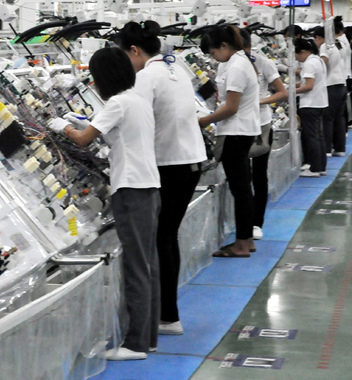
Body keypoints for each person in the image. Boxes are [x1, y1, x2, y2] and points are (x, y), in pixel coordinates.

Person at [49, 47, 160, 360]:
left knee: (135, 267)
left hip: (131, 189)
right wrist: (84, 121)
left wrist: (65, 127)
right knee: (148, 264)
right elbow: (111, 135)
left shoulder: (117, 103)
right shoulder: (137, 99)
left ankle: (135, 344)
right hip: (149, 186)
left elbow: (84, 141)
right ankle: (147, 337)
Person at [115, 21, 206, 337]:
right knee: (168, 236)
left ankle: (165, 315)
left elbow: (134, 123)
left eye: (125, 55)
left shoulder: (146, 77)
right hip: (190, 161)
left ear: (135, 50)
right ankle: (168, 312)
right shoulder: (175, 67)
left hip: (170, 165)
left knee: (160, 239)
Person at [198, 25, 260, 258]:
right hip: (243, 131)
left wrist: (203, 121)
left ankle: (241, 244)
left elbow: (231, 108)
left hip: (236, 132)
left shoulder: (236, 67)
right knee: (244, 188)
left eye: (214, 53)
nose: (214, 58)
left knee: (241, 189)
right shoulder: (241, 61)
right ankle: (248, 240)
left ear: (224, 46)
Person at [239, 29, 288, 242]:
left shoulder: (263, 63)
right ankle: (243, 219)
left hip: (261, 125)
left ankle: (257, 222)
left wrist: (259, 102)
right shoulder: (227, 65)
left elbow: (281, 92)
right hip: (237, 127)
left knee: (259, 174)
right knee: (241, 177)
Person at [294, 38, 329, 177]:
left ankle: (314, 168)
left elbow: (308, 86)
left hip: (310, 103)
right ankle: (320, 166)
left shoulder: (309, 64)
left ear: (302, 52)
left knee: (312, 137)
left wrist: (290, 92)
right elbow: (307, 82)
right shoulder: (318, 60)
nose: (296, 58)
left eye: (296, 55)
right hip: (320, 102)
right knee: (319, 136)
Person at [313, 25, 347, 158]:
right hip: (341, 84)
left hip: (331, 85)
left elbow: (324, 61)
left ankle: (326, 149)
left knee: (327, 119)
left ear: (319, 37)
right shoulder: (337, 44)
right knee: (339, 118)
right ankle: (340, 148)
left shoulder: (324, 46)